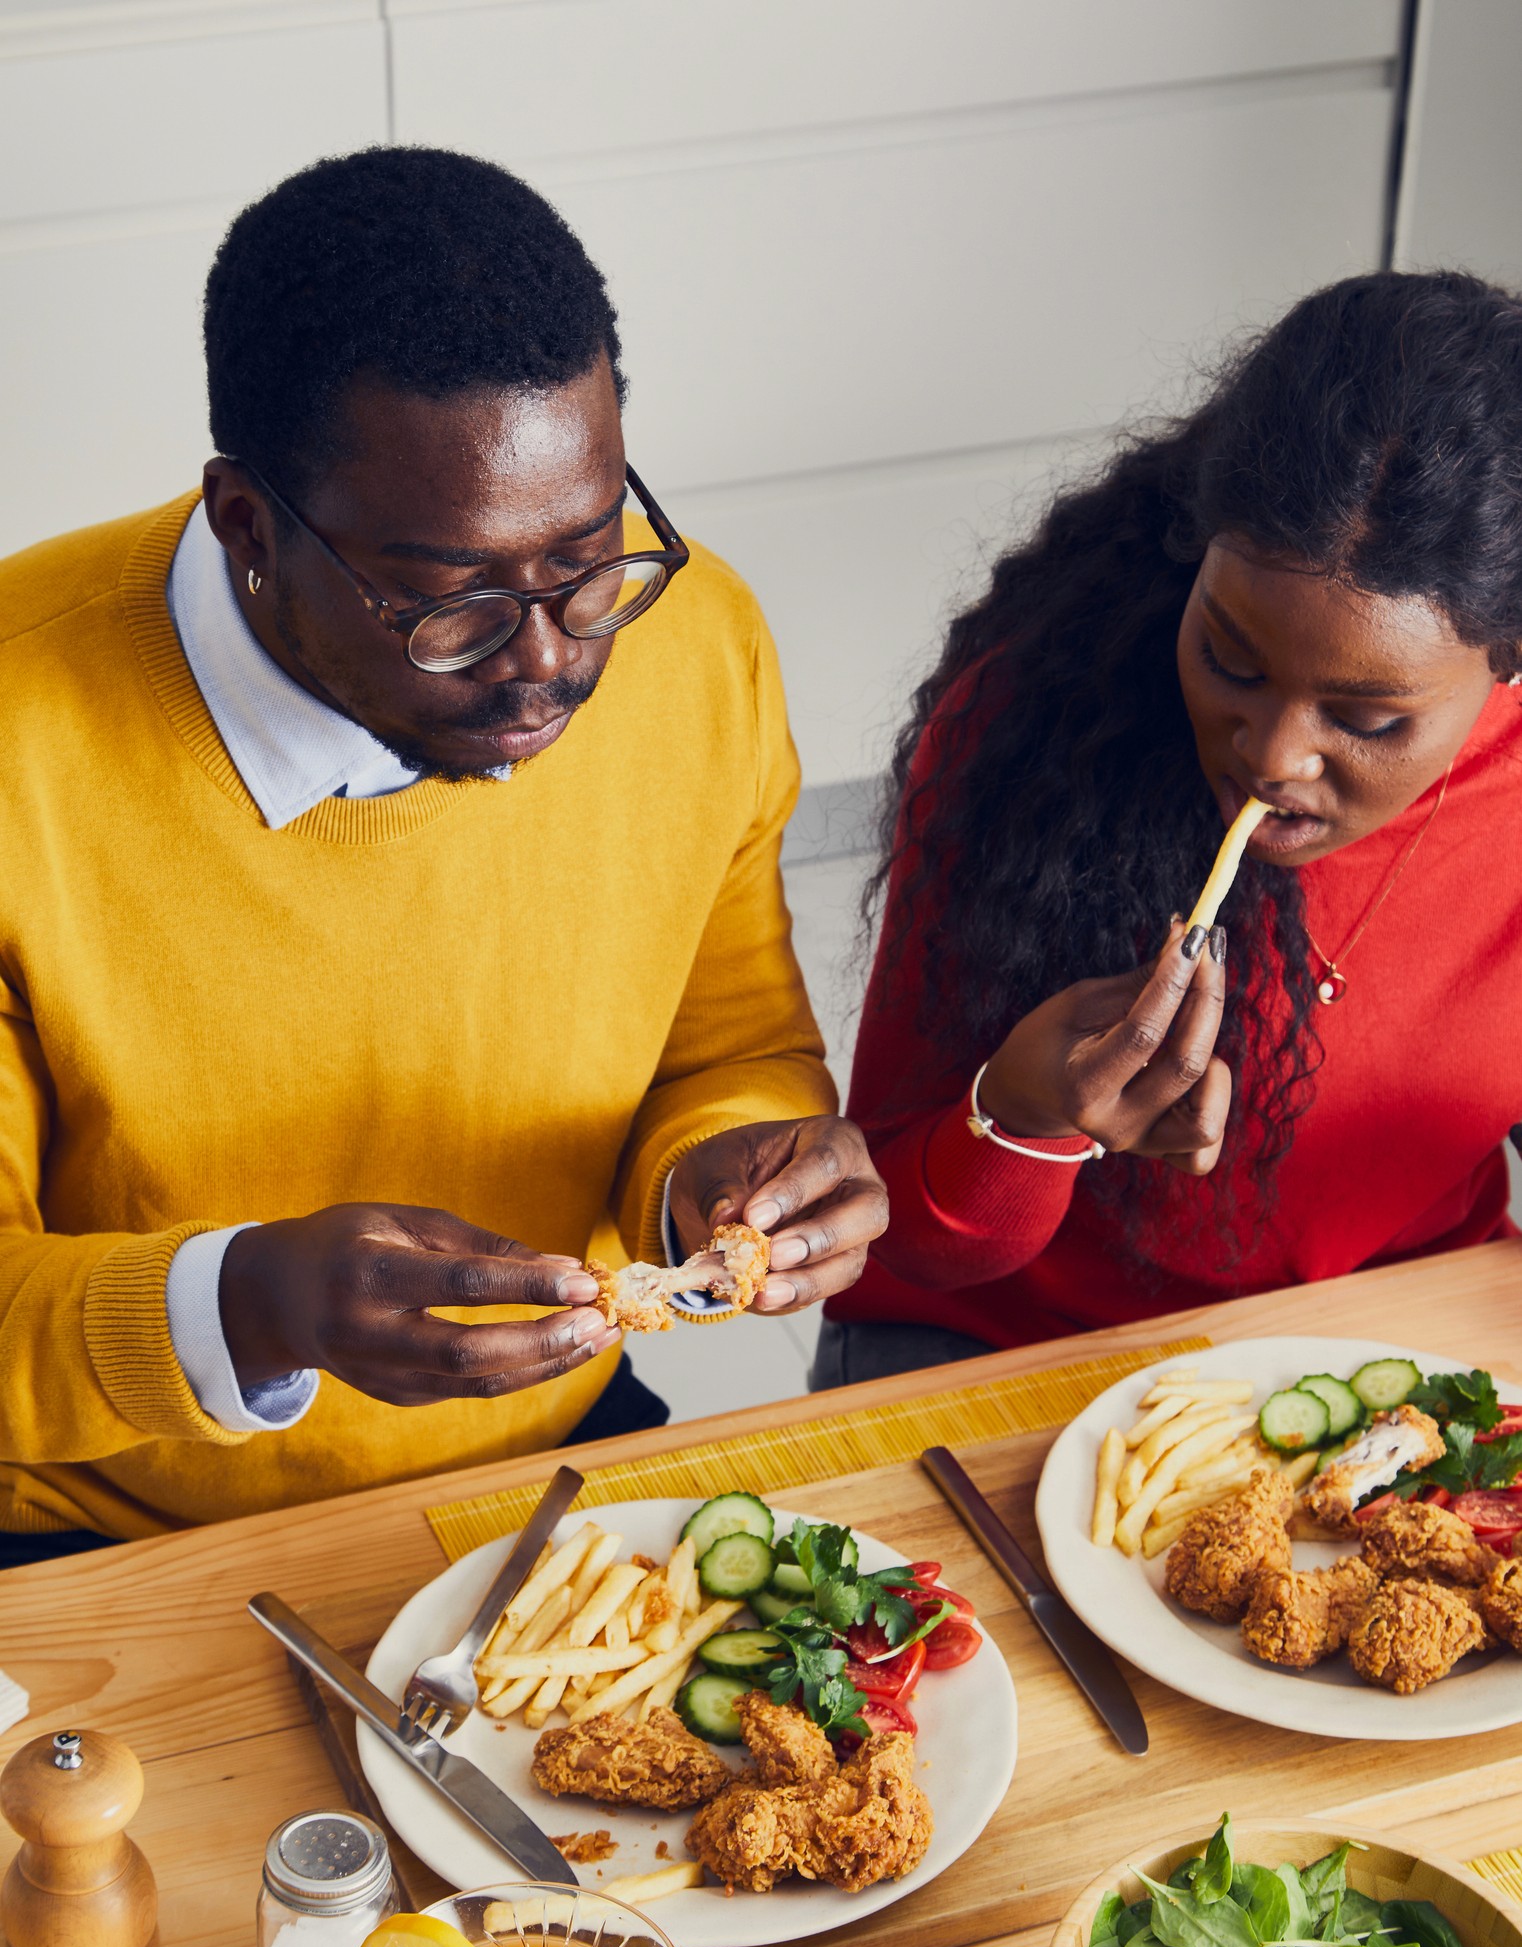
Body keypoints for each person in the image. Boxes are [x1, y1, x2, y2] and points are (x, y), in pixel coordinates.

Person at [0, 146, 887, 1558]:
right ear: (248, 526)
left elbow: (724, 1049)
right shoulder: (18, 734)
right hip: (111, 1531)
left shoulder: (696, 644)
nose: (549, 662)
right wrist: (248, 1304)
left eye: (590, 562)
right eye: (447, 603)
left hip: (544, 1468)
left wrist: (725, 1178)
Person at [815, 269, 1522, 1389]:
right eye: (1230, 662)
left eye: (1368, 718)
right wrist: (1027, 1117)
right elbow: (893, 1231)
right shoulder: (1032, 722)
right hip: (1015, 1353)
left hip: (1403, 1341)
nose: (1273, 755)